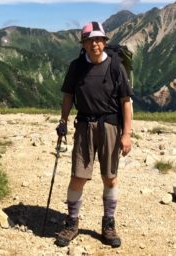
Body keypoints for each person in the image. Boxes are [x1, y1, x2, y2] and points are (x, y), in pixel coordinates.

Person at [54, 21, 133, 248]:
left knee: (110, 177)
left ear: (105, 42)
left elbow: (125, 102)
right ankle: (72, 223)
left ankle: (108, 224)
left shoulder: (116, 66)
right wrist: (63, 121)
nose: (95, 44)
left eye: (99, 40)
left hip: (110, 126)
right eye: (90, 40)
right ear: (84, 44)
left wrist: (127, 134)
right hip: (84, 126)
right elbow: (68, 96)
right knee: (78, 176)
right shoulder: (76, 67)